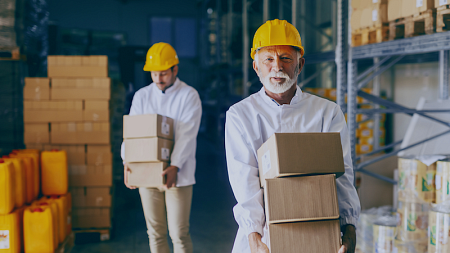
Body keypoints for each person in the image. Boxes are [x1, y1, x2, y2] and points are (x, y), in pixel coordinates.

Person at [225, 19, 360, 253]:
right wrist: (255, 236)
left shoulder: (326, 113)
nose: (277, 66)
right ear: (256, 66)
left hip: (318, 231)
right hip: (264, 235)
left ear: (300, 65)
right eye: (268, 59)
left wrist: (349, 227)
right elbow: (244, 179)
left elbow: (342, 173)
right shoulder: (241, 115)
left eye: (286, 58)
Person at [121, 42, 202, 253]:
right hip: (146, 173)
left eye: (164, 73)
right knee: (155, 233)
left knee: (179, 234)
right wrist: (127, 161)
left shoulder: (189, 95)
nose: (158, 79)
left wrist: (174, 165)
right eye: (154, 74)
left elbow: (187, 135)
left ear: (175, 69)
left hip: (178, 174)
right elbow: (133, 132)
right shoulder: (142, 96)